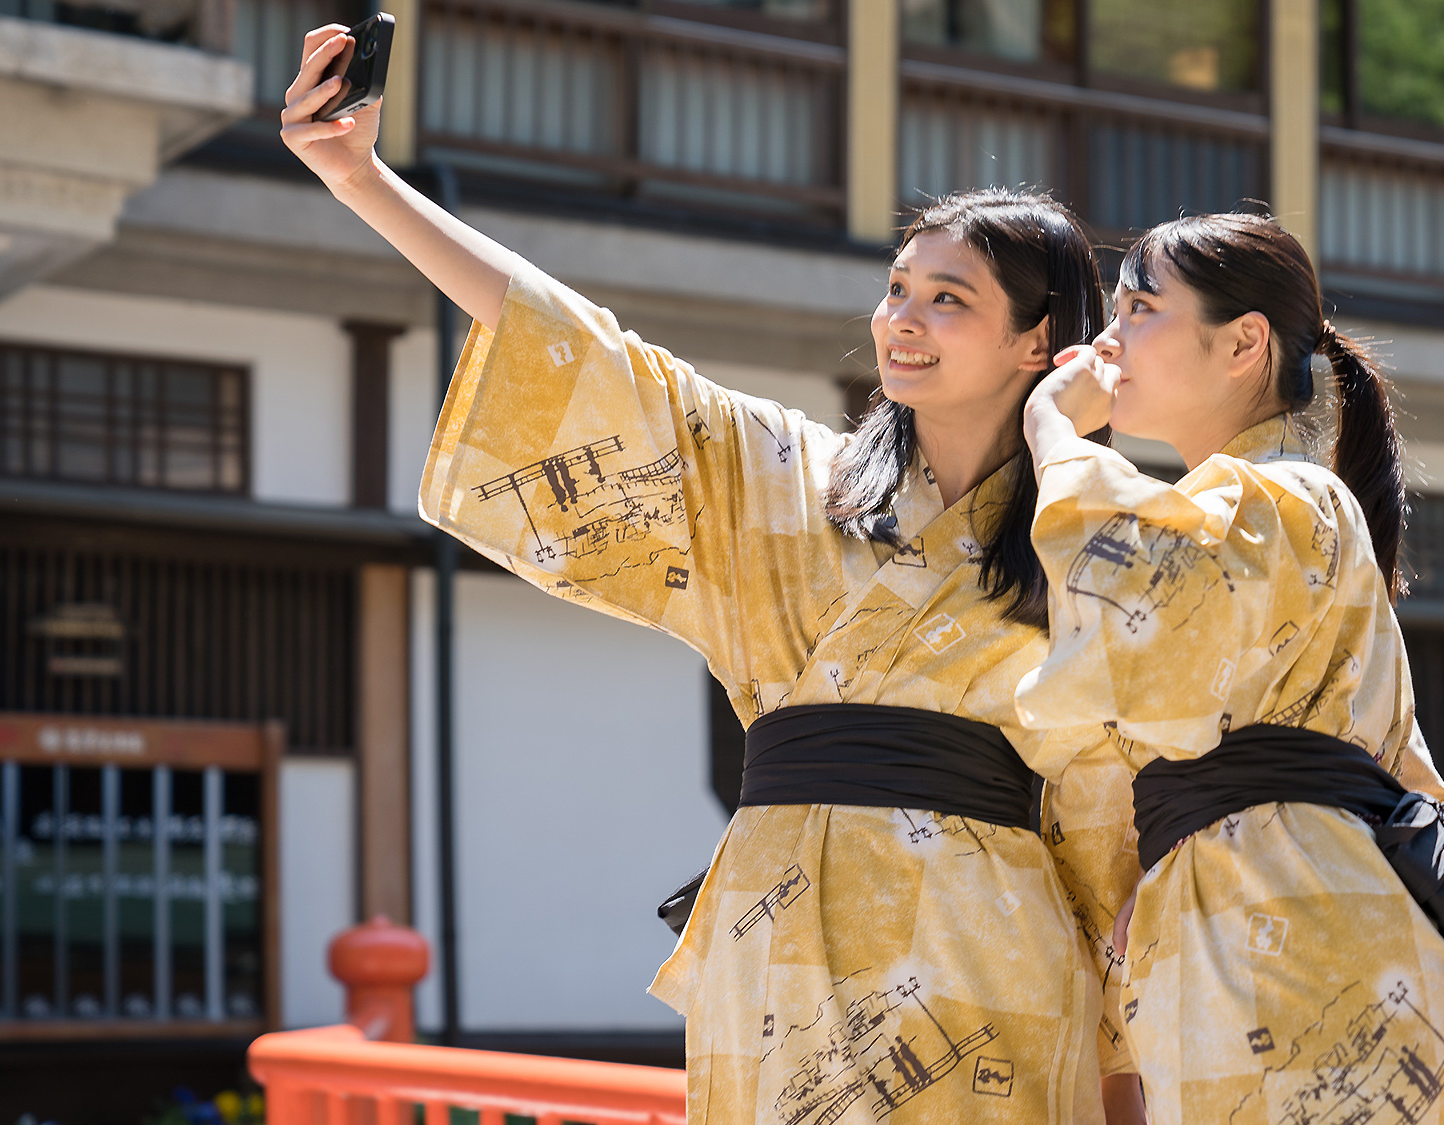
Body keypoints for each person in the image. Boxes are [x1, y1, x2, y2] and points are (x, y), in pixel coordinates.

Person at [279, 25, 1140, 1124]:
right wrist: (364, 182)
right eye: (895, 288)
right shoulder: (793, 477)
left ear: (1038, 342)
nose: (900, 321)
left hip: (991, 968)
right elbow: (581, 350)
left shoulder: (1092, 540)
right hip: (777, 948)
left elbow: (1108, 834)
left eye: (948, 300)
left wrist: (1125, 1087)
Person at [1016, 213, 1444, 1121]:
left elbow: (1141, 618)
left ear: (1243, 342)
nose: (1106, 340)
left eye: (1142, 308)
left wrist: (1055, 435)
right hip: (1279, 899)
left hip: (1307, 924)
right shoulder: (1262, 498)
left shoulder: (1286, 491)